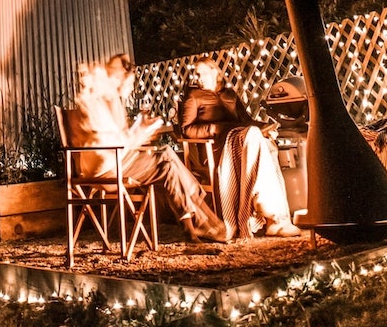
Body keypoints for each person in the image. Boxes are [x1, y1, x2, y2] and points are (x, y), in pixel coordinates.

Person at [69, 54, 226, 243]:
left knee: (167, 153)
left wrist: (139, 131)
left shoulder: (107, 98)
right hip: (108, 169)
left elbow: (119, 139)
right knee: (167, 166)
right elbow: (112, 143)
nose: (129, 85)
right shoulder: (103, 100)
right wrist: (140, 134)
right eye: (128, 79)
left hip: (115, 161)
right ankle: (196, 223)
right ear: (120, 77)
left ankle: (198, 217)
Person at [179, 60, 301, 239]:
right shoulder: (193, 96)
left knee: (264, 141)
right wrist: (215, 129)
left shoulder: (229, 95)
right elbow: (186, 129)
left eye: (201, 73)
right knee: (253, 136)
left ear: (215, 73)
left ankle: (276, 219)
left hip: (242, 140)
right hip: (218, 147)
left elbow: (246, 121)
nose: (197, 78)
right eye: (195, 74)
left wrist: (266, 126)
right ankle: (273, 218)